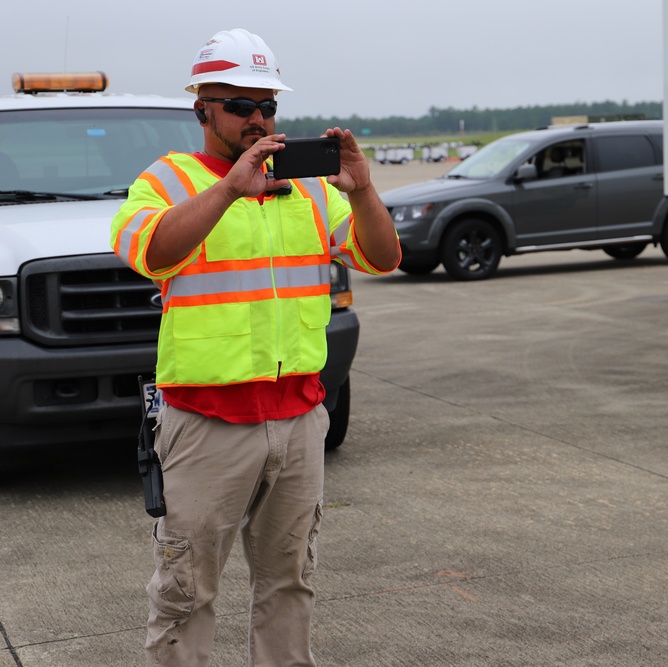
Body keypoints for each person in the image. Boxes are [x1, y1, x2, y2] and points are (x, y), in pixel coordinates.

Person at [110, 28, 400, 665]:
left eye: (267, 105)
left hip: (297, 419)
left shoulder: (312, 188)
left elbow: (382, 257)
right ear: (202, 109)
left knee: (289, 583)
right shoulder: (166, 181)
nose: (258, 118)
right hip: (206, 422)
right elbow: (151, 252)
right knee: (186, 594)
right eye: (240, 105)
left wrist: (362, 188)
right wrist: (227, 190)